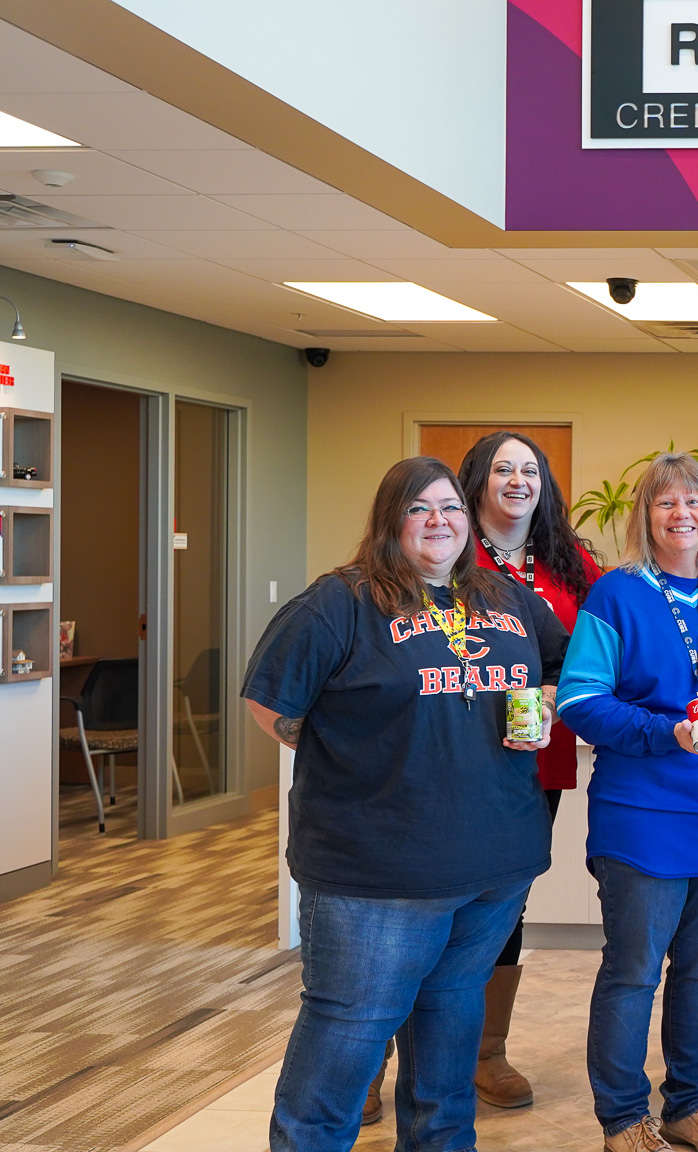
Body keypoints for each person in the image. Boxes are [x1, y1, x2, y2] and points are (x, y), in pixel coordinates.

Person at [241, 456, 563, 1152]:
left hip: (493, 870)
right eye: (420, 509)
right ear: (391, 520)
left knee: (448, 1050)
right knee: (348, 1036)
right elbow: (270, 704)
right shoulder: (338, 603)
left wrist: (550, 701)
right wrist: (356, 755)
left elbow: (564, 664)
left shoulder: (505, 600)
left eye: (450, 507)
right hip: (375, 878)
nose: (439, 522)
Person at [556, 453, 698, 1152]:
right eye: (666, 503)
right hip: (641, 816)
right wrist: (668, 732)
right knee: (632, 973)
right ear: (645, 516)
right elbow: (578, 703)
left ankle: (690, 1105)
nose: (682, 514)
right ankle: (623, 1118)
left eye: (693, 502)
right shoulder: (615, 596)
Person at [453, 429, 604, 1113]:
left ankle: (487, 1052)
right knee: (425, 900)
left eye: (530, 471)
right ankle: (384, 1054)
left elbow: (607, 637)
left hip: (534, 764)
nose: (518, 481)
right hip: (451, 759)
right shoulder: (445, 548)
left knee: (507, 901)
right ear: (478, 480)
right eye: (503, 469)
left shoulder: (569, 562)